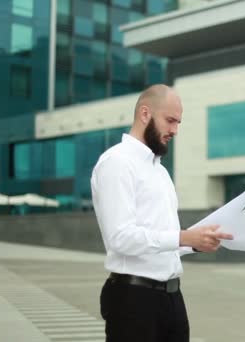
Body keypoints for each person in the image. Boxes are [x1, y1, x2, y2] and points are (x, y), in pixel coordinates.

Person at [91, 84, 233, 342]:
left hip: (171, 299)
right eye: (170, 121)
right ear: (145, 114)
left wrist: (197, 243)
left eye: (178, 123)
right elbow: (120, 238)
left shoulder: (160, 171)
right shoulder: (117, 163)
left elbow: (162, 239)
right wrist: (183, 237)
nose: (175, 130)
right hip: (133, 301)